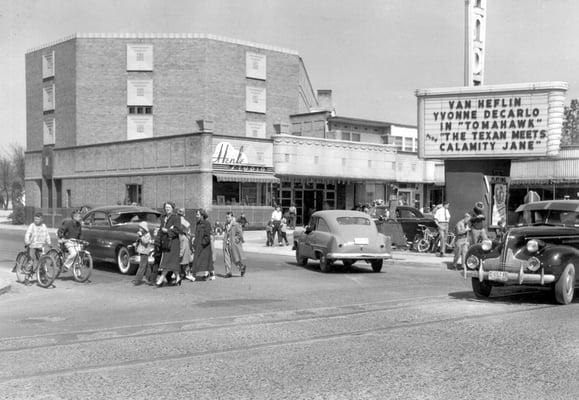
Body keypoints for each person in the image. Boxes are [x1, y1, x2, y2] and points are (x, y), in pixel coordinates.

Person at [155, 202, 183, 287]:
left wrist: (168, 231)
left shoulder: (176, 217)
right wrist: (157, 241)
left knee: (167, 261)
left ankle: (161, 279)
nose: (167, 209)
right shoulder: (163, 217)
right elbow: (160, 229)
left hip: (173, 243)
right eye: (166, 207)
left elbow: (178, 230)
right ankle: (178, 277)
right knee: (171, 262)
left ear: (172, 208)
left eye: (169, 207)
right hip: (165, 242)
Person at [192, 209, 215, 281]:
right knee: (203, 260)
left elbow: (207, 235)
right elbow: (197, 234)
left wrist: (203, 243)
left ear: (202, 215)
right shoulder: (198, 223)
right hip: (199, 245)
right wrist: (195, 243)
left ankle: (194, 275)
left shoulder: (206, 223)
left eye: (198, 214)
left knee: (204, 260)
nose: (196, 216)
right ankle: (210, 274)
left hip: (204, 246)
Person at [223, 212, 246, 277]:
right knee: (226, 259)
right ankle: (228, 273)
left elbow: (240, 233)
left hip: (233, 244)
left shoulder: (236, 224)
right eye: (226, 217)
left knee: (235, 259)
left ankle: (242, 267)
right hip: (226, 244)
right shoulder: (226, 224)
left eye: (228, 217)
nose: (227, 219)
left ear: (232, 217)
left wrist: (237, 239)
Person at [133, 221, 152, 286]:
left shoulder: (147, 235)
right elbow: (140, 241)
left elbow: (145, 242)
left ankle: (137, 280)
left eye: (140, 228)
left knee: (142, 266)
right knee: (147, 266)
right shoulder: (143, 235)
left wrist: (141, 236)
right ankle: (148, 278)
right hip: (142, 252)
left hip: (144, 252)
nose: (139, 229)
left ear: (144, 228)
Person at [176, 208, 194, 282]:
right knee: (183, 261)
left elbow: (187, 229)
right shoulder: (184, 222)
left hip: (183, 239)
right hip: (183, 239)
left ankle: (187, 274)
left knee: (184, 261)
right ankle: (183, 274)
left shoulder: (180, 221)